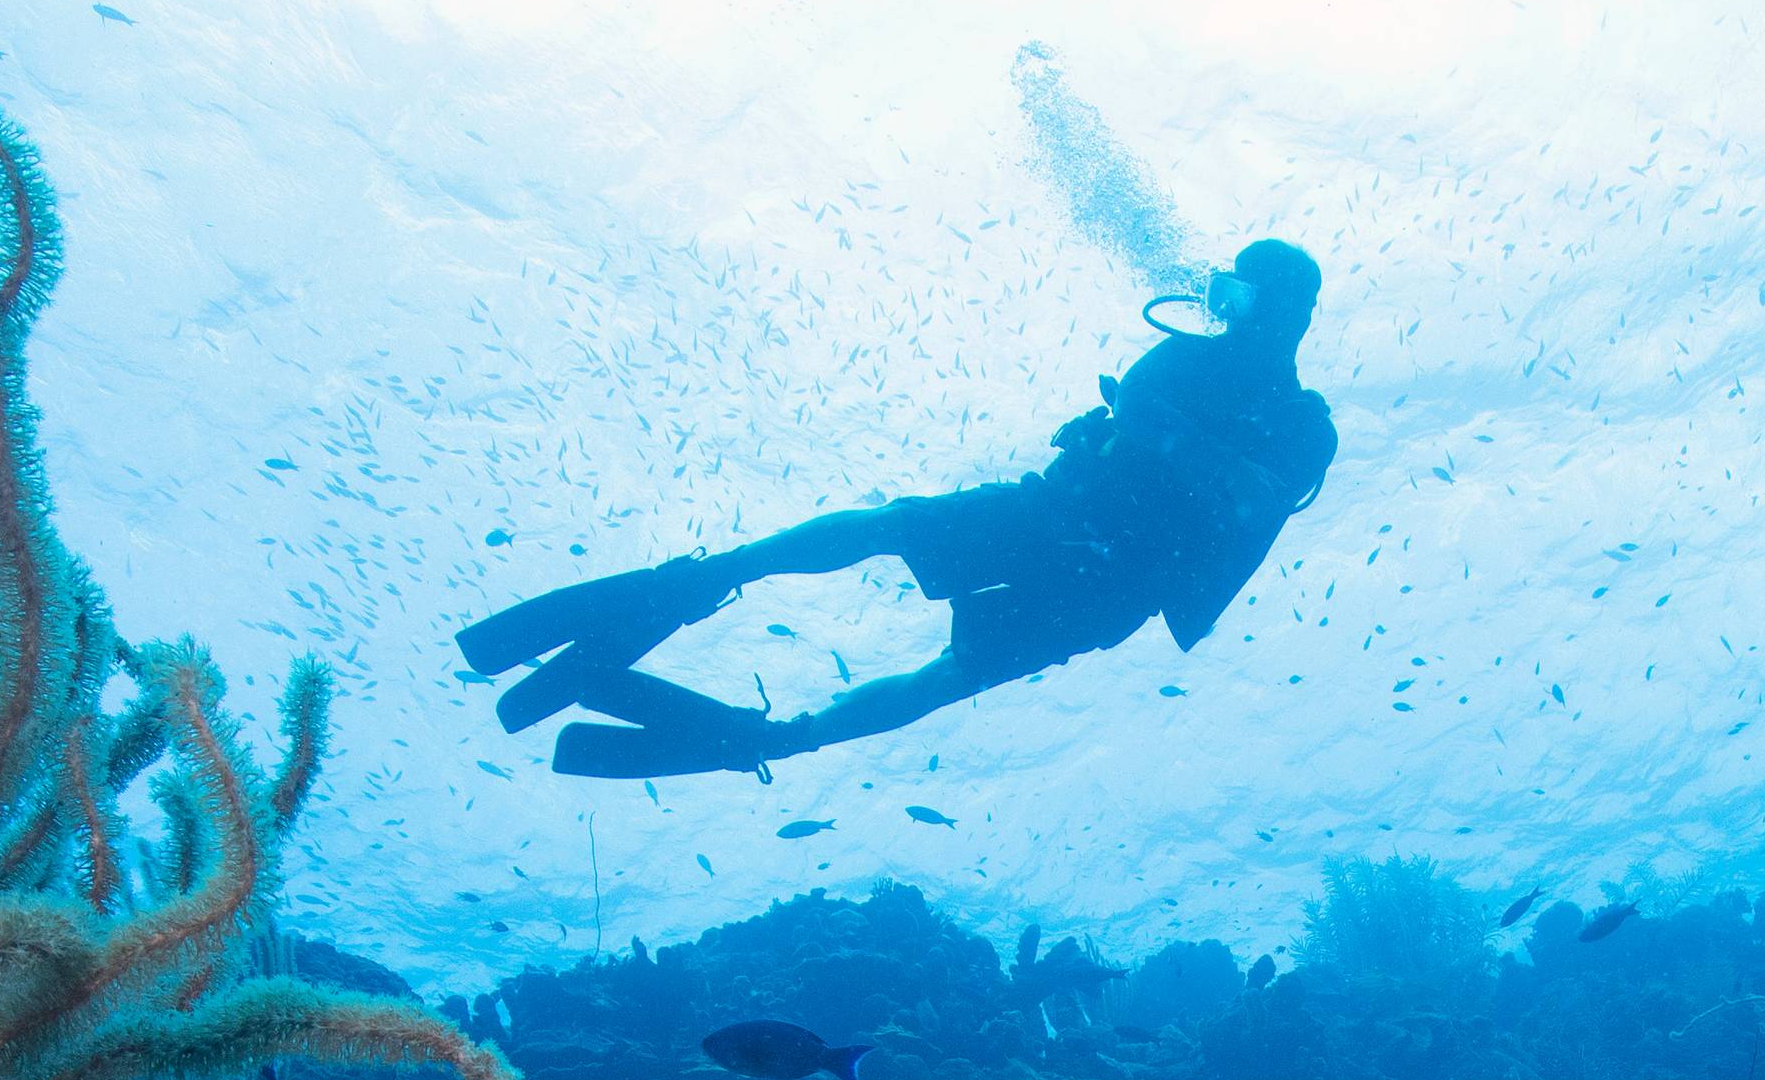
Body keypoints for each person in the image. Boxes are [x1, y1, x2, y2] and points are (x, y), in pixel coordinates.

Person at [461, 239, 1334, 776]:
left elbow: (1255, 495)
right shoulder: (1180, 359)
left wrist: (1162, 432)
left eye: (1239, 291)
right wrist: (1141, 425)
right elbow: (1136, 418)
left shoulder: (1305, 423)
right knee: (890, 525)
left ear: (1281, 307)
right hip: (1053, 513)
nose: (1219, 303)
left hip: (1121, 583)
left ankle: (782, 740)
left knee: (950, 676)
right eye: (1222, 286)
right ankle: (705, 580)